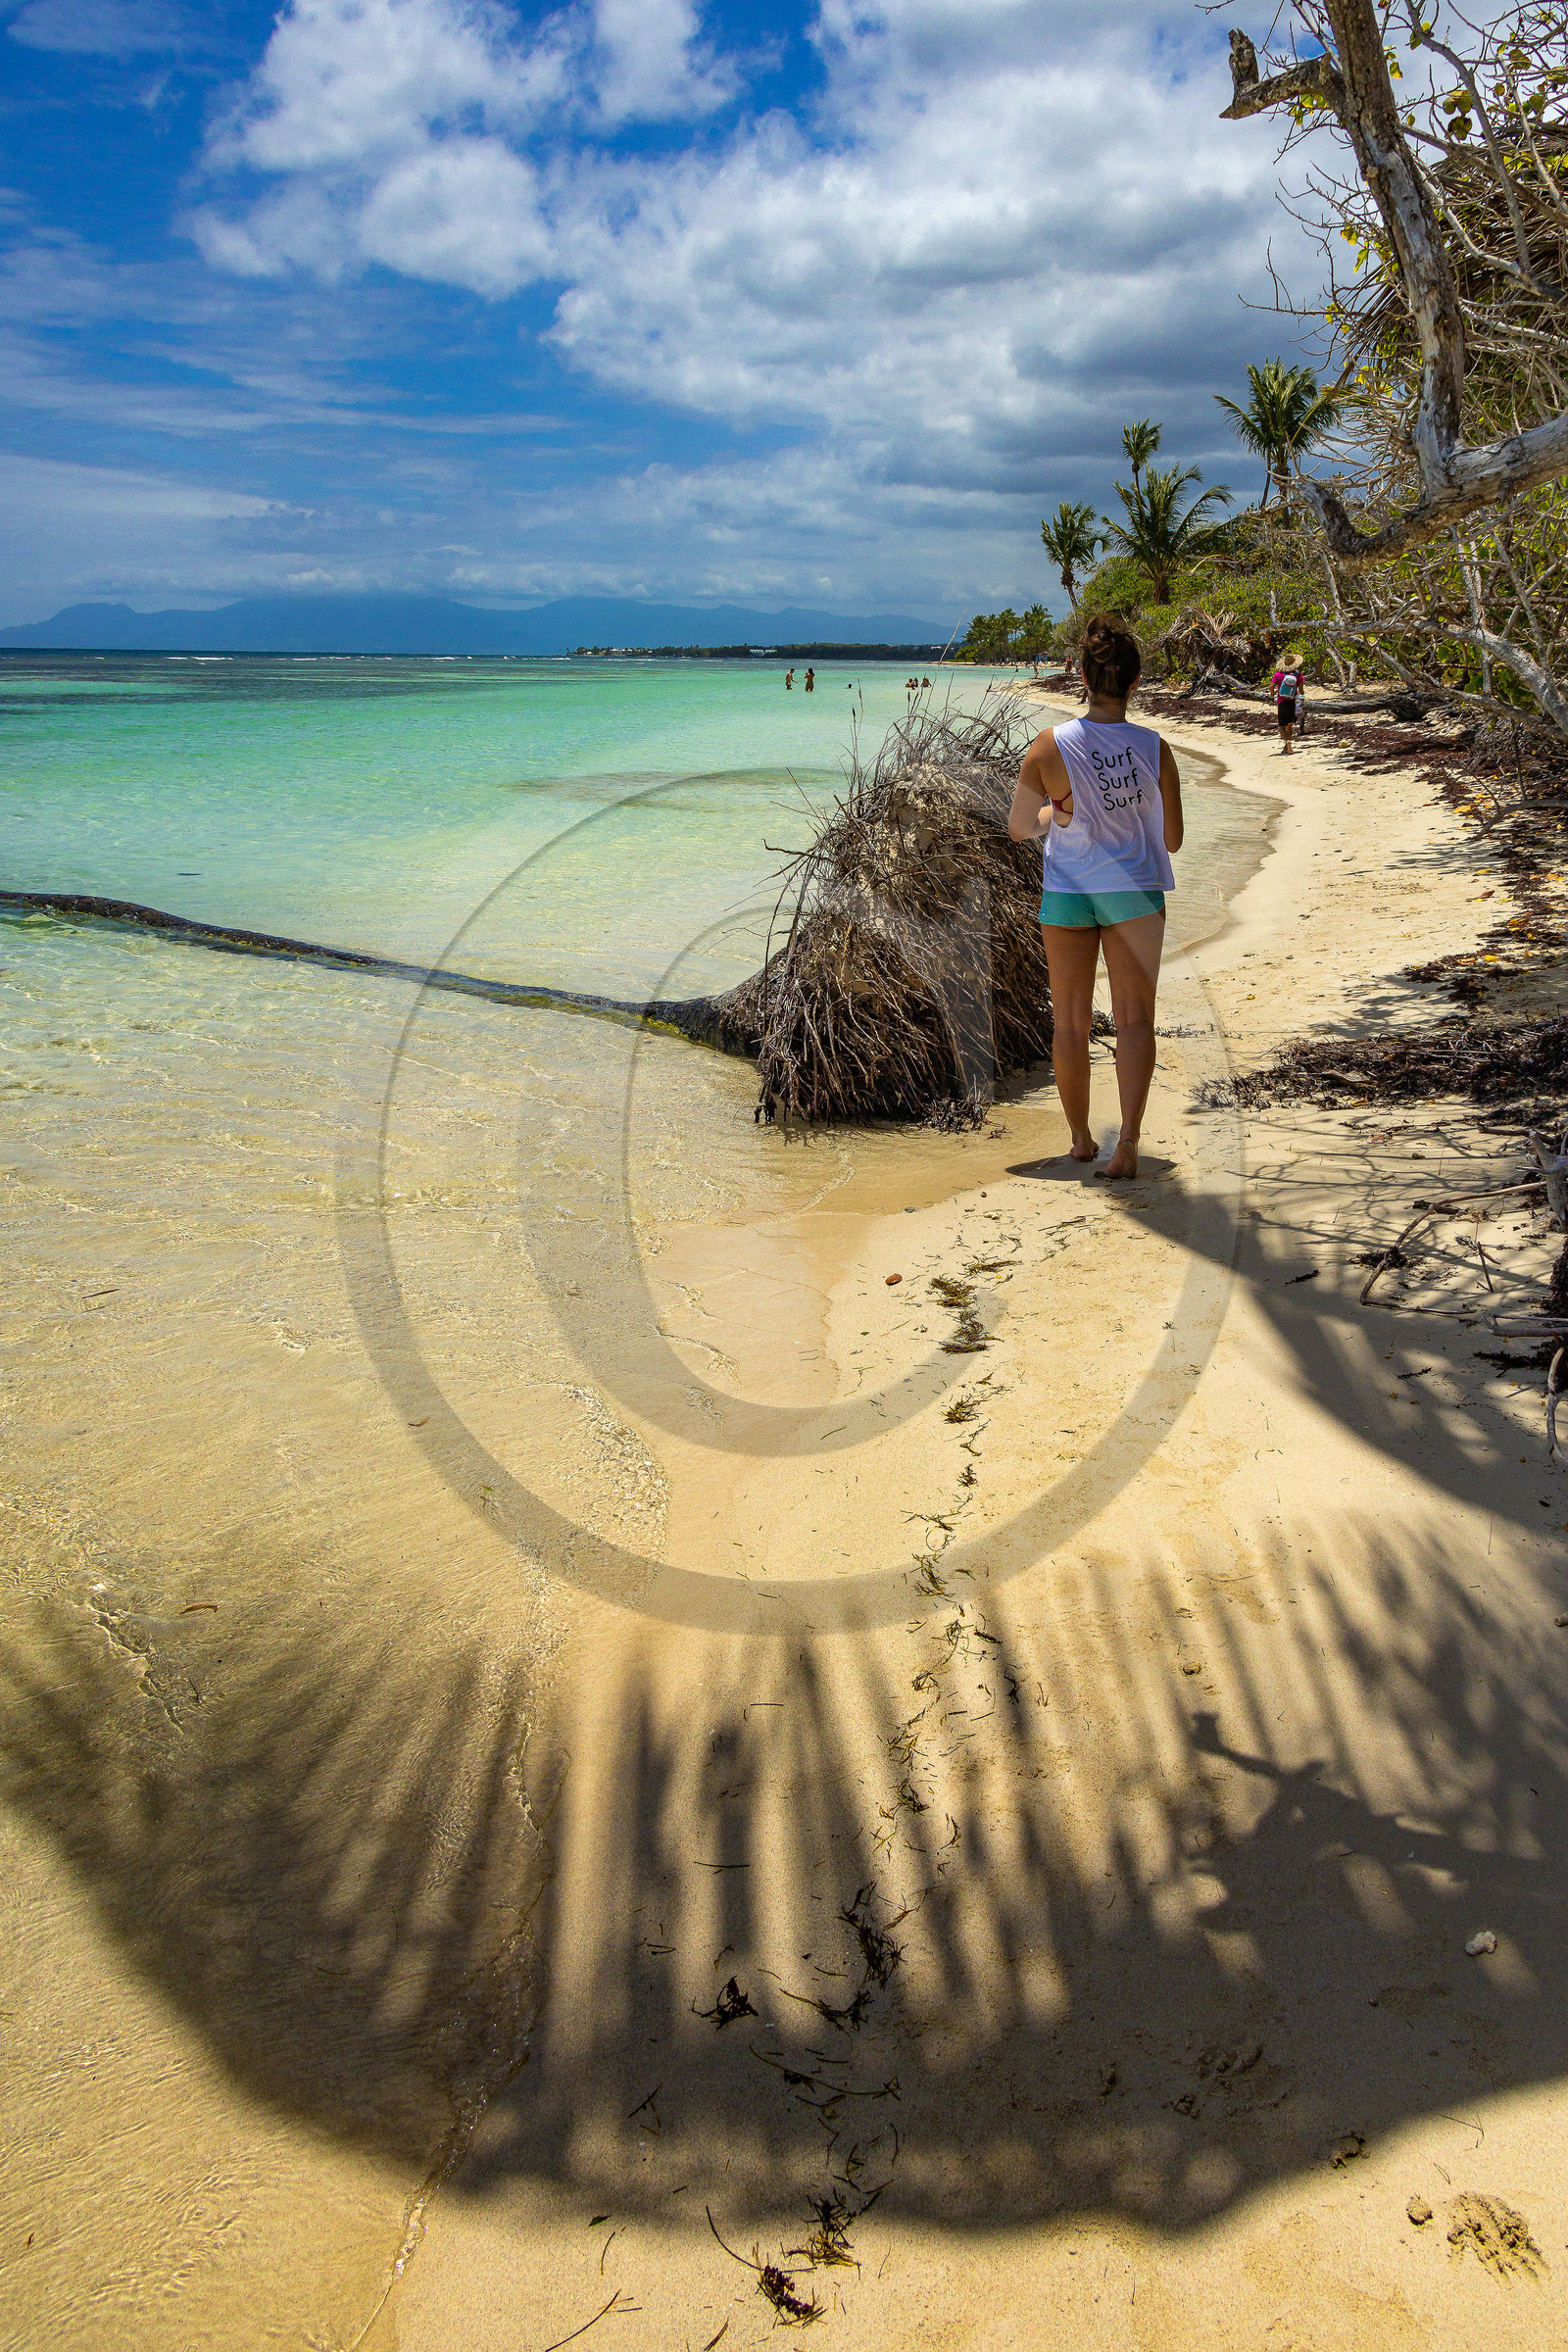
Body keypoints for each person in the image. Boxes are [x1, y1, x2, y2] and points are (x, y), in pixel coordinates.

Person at [1008, 612, 1184, 1180]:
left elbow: (1020, 828)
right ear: (1135, 682)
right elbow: (1173, 840)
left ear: (1081, 676)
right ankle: (1128, 1142)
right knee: (1135, 1021)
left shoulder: (1049, 745)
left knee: (1070, 1024)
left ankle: (1082, 1139)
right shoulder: (1155, 748)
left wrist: (1056, 810)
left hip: (1068, 893)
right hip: (1134, 892)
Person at [1271, 654, 1305, 754]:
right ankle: (1287, 746)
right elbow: (1301, 691)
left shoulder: (1278, 675)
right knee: (1289, 725)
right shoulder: (1299, 676)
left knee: (1281, 727)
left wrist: (1273, 693)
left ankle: (1287, 741)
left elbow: (1271, 687)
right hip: (1292, 702)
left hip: (1282, 702)